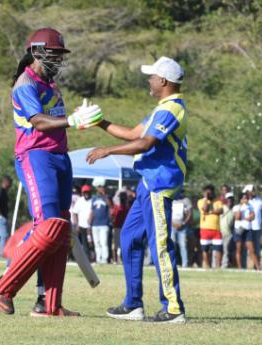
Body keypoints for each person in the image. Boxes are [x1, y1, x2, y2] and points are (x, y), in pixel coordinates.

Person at [0, 27, 102, 317]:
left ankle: (47, 304)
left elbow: (56, 119)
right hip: (36, 156)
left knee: (61, 231)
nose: (58, 59)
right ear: (37, 51)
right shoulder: (25, 83)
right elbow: (39, 122)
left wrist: (76, 115)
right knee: (49, 227)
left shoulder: (50, 84)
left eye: (60, 54)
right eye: (54, 53)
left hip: (59, 157)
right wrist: (74, 121)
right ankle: (4, 285)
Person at [86, 56, 187, 323]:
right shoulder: (162, 108)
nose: (149, 81)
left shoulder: (171, 109)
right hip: (147, 182)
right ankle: (133, 305)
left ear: (163, 81)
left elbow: (145, 144)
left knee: (160, 246)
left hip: (159, 183)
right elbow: (134, 134)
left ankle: (173, 309)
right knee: (129, 238)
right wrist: (101, 123)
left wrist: (107, 150)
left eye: (152, 77)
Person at [198, 184, 223, 269]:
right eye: (207, 192)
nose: (209, 193)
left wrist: (211, 211)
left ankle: (217, 267)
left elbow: (220, 211)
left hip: (216, 229)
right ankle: (207, 266)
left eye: (210, 191)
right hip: (205, 229)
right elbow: (205, 209)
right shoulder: (201, 201)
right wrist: (206, 199)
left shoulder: (218, 201)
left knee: (218, 249)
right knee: (205, 249)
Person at [233, 193, 260, 270]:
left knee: (252, 250)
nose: (246, 200)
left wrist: (248, 217)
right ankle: (239, 268)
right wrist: (241, 207)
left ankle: (258, 268)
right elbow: (237, 217)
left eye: (247, 198)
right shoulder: (236, 207)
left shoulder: (250, 206)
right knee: (239, 249)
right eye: (244, 198)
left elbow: (253, 216)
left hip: (248, 230)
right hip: (239, 229)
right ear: (240, 199)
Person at [72, 185, 95, 260]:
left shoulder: (93, 200)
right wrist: (77, 224)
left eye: (87, 192)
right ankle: (86, 258)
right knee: (84, 243)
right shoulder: (80, 200)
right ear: (82, 193)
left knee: (91, 243)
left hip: (91, 226)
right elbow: (75, 213)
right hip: (81, 225)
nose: (86, 194)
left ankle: (93, 257)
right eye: (85, 192)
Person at [244, 184, 262, 267]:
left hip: (258, 228)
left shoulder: (259, 200)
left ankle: (257, 267)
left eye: (253, 190)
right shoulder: (245, 201)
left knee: (257, 249)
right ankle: (255, 266)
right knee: (250, 249)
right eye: (251, 190)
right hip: (248, 228)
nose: (252, 191)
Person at [171, 194, 192, 268]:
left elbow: (189, 213)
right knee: (172, 245)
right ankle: (172, 263)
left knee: (183, 245)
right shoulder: (171, 199)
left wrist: (183, 223)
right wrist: (172, 223)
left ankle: (184, 264)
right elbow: (167, 211)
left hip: (183, 227)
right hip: (172, 226)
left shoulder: (186, 200)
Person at [110, 191, 130, 264]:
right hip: (118, 227)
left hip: (122, 228)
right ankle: (116, 259)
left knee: (120, 245)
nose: (122, 200)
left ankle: (119, 259)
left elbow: (112, 216)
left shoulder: (125, 208)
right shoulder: (118, 207)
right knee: (116, 245)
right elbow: (112, 216)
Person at [220, 192, 235, 268]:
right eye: (228, 199)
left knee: (226, 250)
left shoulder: (234, 210)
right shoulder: (222, 208)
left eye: (231, 199)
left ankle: (224, 265)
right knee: (219, 250)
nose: (230, 201)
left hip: (229, 234)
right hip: (220, 232)